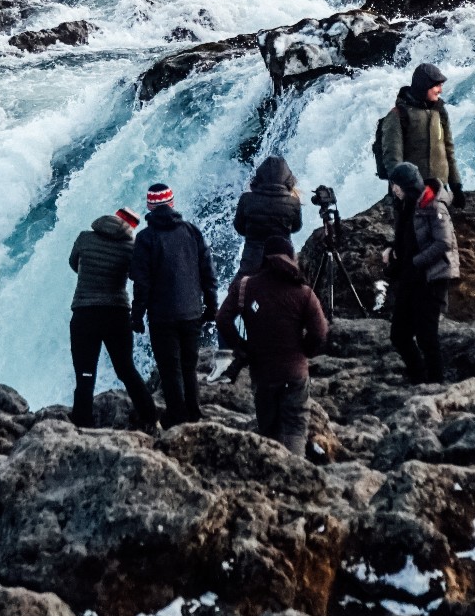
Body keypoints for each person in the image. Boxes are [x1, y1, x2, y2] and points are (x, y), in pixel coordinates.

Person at [216, 234, 329, 456]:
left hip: (263, 372)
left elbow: (222, 319)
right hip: (295, 373)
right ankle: (295, 471)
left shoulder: (246, 286)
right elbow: (320, 331)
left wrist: (241, 347)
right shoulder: (303, 292)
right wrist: (304, 350)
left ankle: (273, 467)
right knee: (295, 427)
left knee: (268, 429)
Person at [131, 183, 216, 426]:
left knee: (170, 370)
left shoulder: (145, 238)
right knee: (189, 367)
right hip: (191, 313)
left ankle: (178, 419)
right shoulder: (191, 231)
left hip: (162, 316)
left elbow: (142, 282)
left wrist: (137, 316)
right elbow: (208, 274)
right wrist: (211, 308)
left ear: (149, 206)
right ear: (172, 204)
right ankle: (195, 414)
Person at [67, 210, 159, 430]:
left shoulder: (84, 237)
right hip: (116, 314)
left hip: (85, 313)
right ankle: (151, 416)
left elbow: (73, 263)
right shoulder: (131, 247)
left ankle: (82, 423)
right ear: (131, 228)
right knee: (126, 369)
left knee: (85, 372)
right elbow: (137, 277)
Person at [384, 162, 460, 384]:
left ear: (405, 185)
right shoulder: (408, 205)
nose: (393, 190)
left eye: (395, 185)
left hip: (431, 279)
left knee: (427, 337)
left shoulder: (434, 206)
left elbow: (444, 243)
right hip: (411, 278)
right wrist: (393, 249)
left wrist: (416, 262)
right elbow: (407, 236)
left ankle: (435, 384)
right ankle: (418, 376)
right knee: (399, 335)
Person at [374, 63, 464, 205]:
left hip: (440, 190)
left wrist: (456, 186)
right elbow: (393, 158)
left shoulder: (440, 111)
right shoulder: (398, 115)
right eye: (437, 85)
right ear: (424, 86)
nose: (440, 90)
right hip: (412, 194)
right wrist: (403, 193)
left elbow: (449, 150)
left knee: (443, 226)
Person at [233, 156, 304, 277]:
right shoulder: (293, 202)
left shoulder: (246, 199)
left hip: (251, 263)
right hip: (282, 264)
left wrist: (254, 232)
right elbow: (296, 227)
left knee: (239, 291)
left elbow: (239, 228)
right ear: (288, 179)